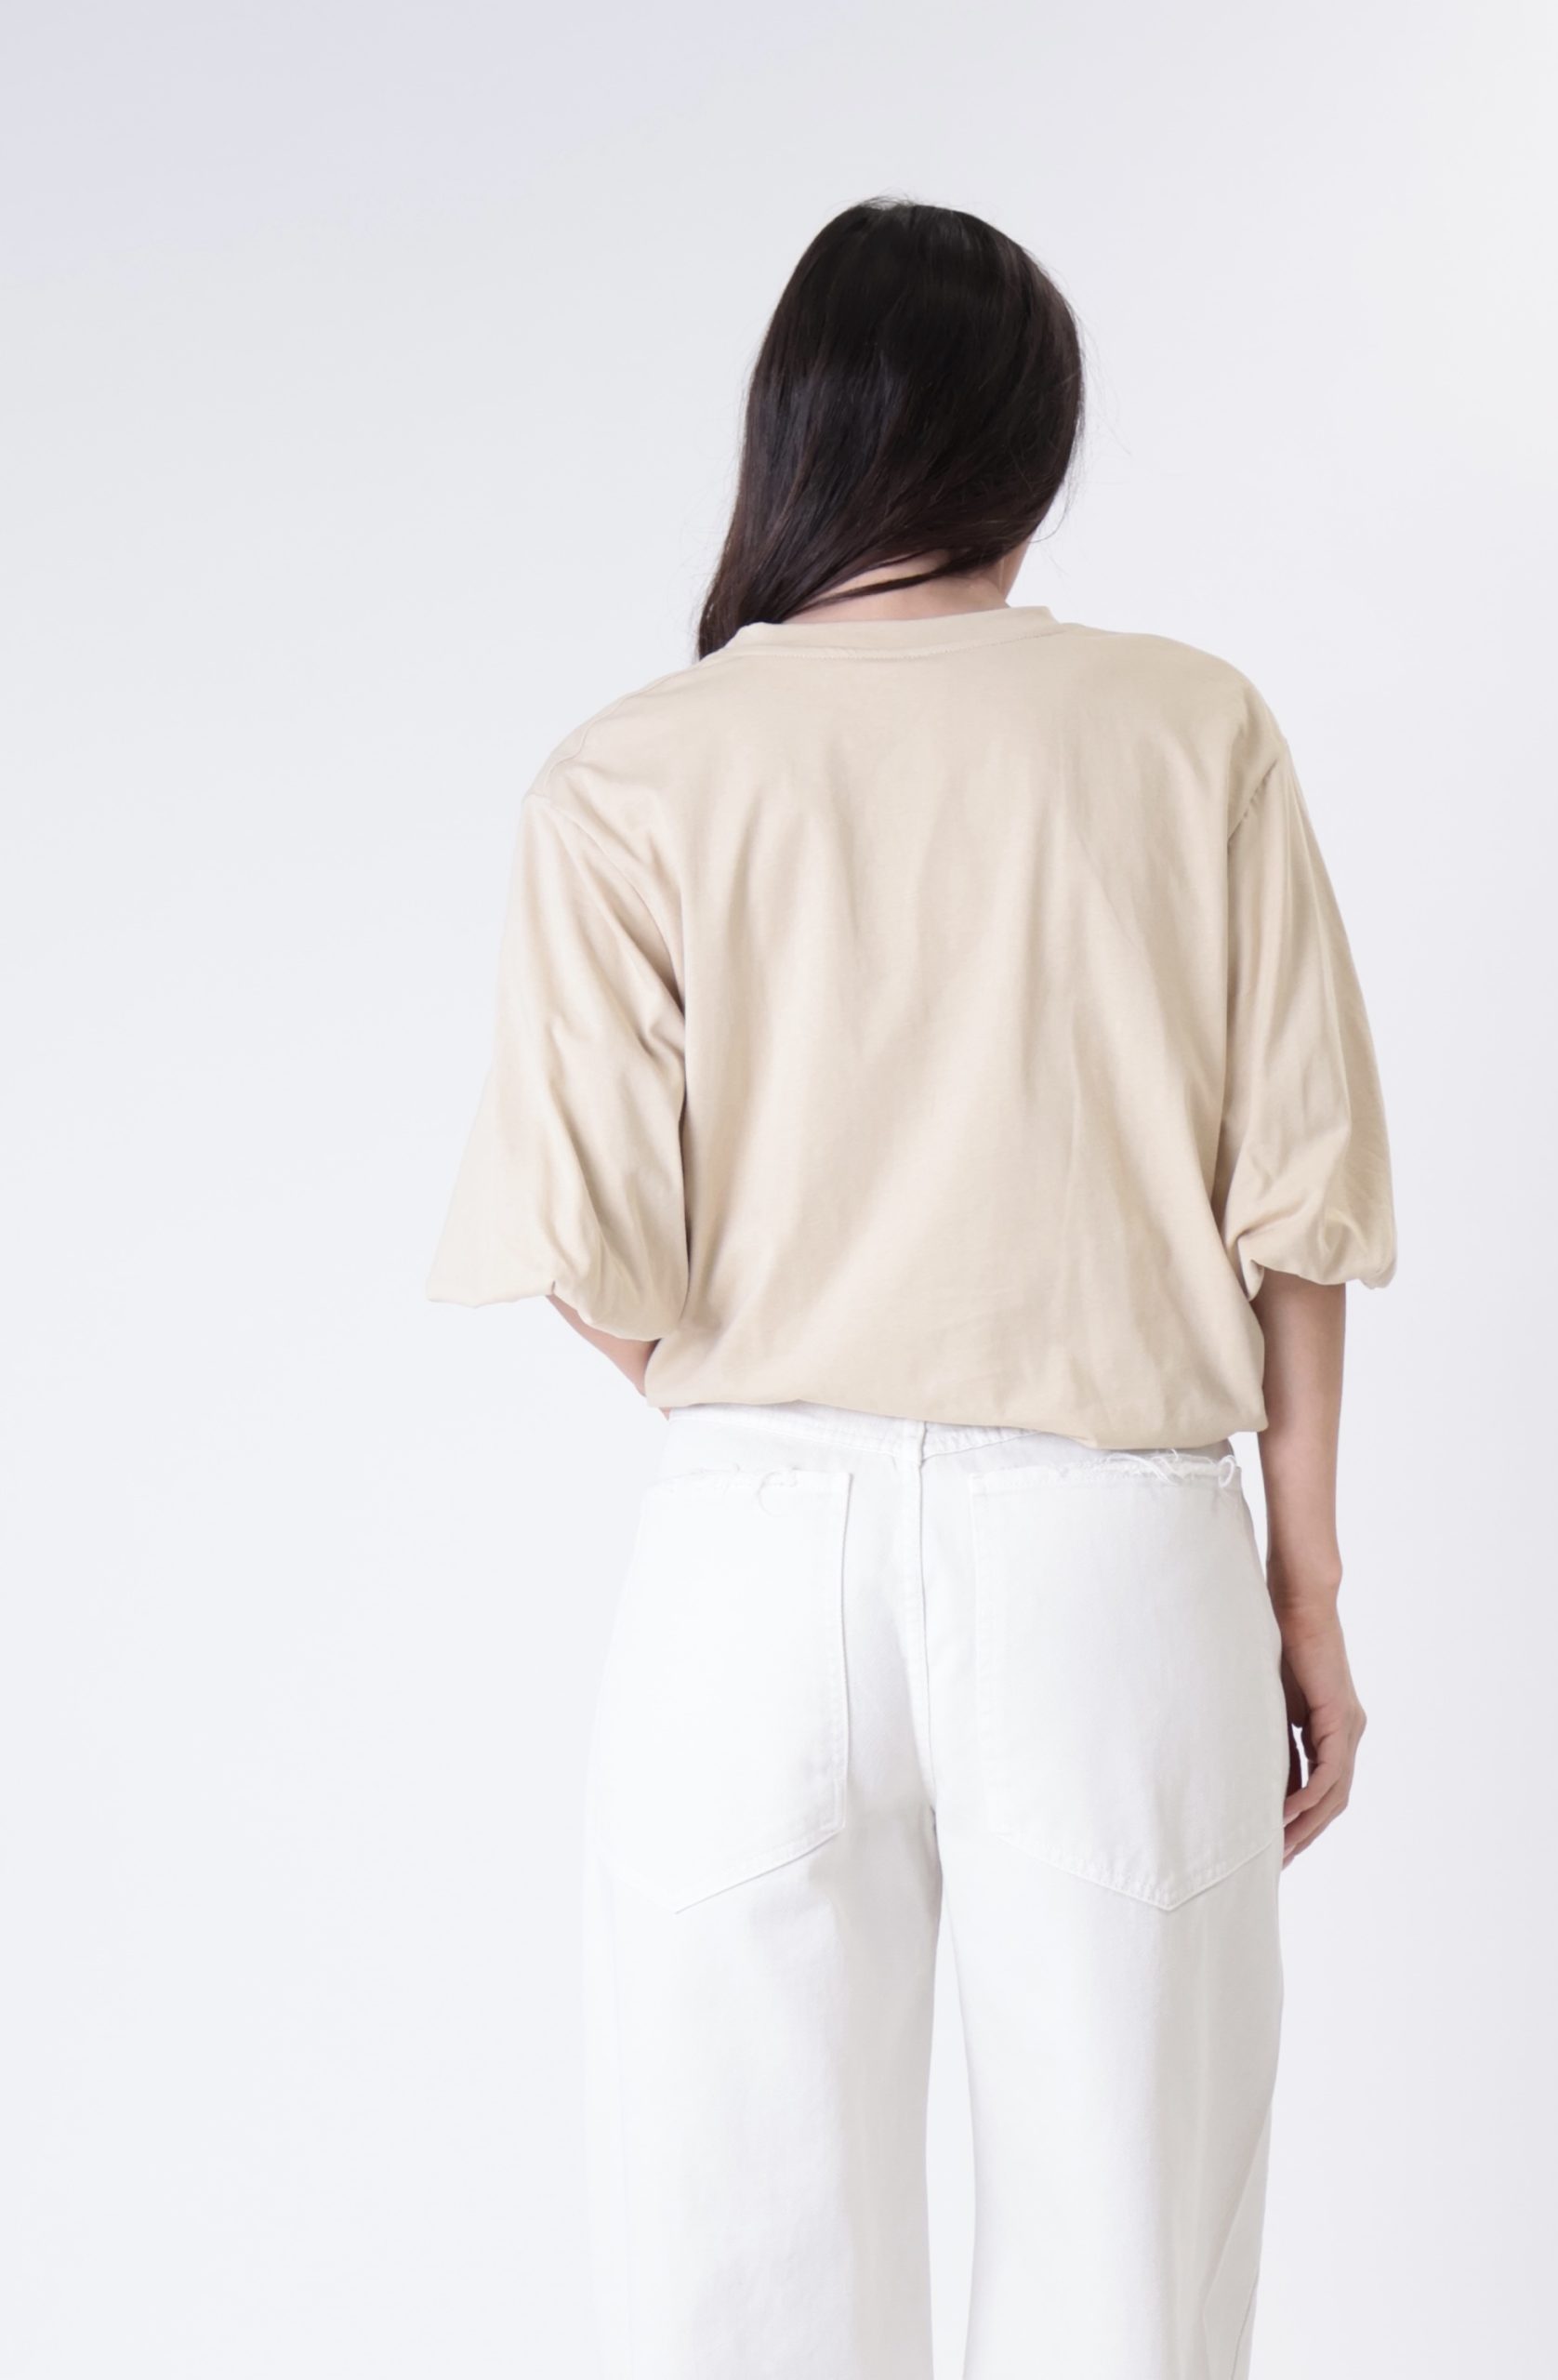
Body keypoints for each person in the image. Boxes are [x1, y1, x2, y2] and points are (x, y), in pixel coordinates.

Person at [428, 196, 1395, 2380]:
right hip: (1109, 1552)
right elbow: (1295, 1203)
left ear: (795, 435)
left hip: (748, 1558)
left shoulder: (631, 768)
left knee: (732, 2273)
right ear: (1027, 444)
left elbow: (585, 1246)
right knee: (1126, 2262)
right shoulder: (1186, 729)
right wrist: (1304, 1585)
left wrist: (791, 1392)